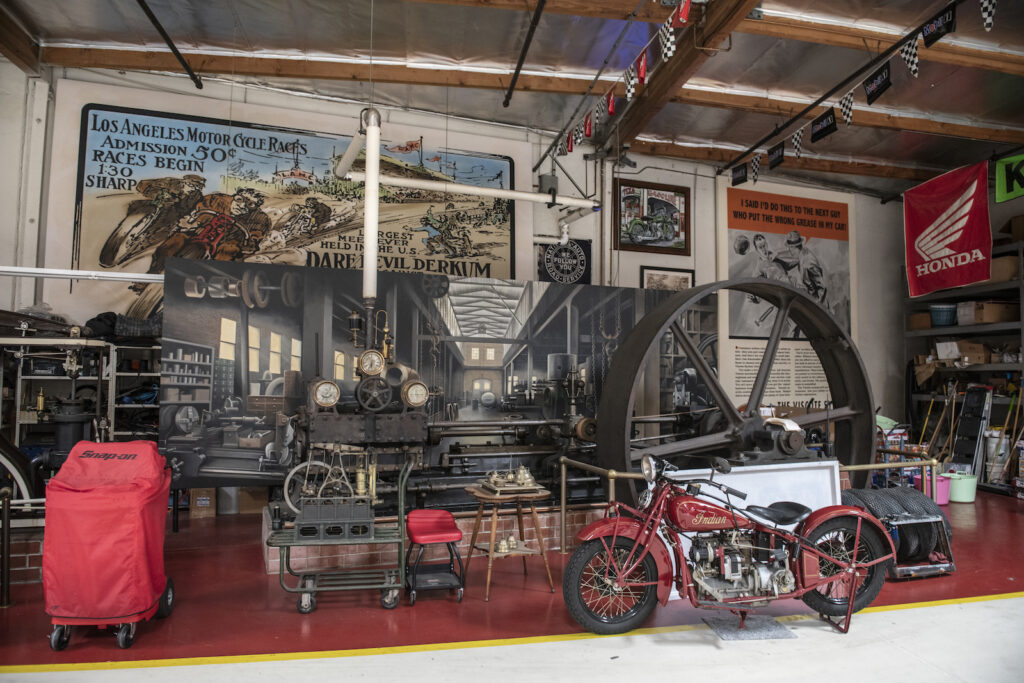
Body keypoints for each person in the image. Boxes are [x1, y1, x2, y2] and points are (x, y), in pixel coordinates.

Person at [146, 187, 270, 273]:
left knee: (228, 251)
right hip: (199, 232)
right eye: (240, 199)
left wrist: (250, 243)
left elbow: (255, 236)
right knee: (176, 240)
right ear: (235, 196)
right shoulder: (215, 199)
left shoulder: (260, 218)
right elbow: (197, 212)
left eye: (250, 204)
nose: (242, 205)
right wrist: (191, 222)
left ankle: (212, 279)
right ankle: (153, 272)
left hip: (227, 242)